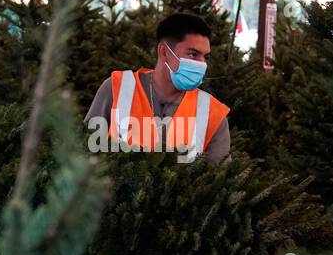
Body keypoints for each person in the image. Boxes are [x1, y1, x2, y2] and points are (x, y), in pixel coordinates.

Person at [84, 12, 231, 164]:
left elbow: (221, 180)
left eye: (205, 57)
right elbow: (86, 150)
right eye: (193, 54)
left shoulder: (212, 113)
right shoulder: (116, 89)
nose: (202, 64)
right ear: (164, 52)